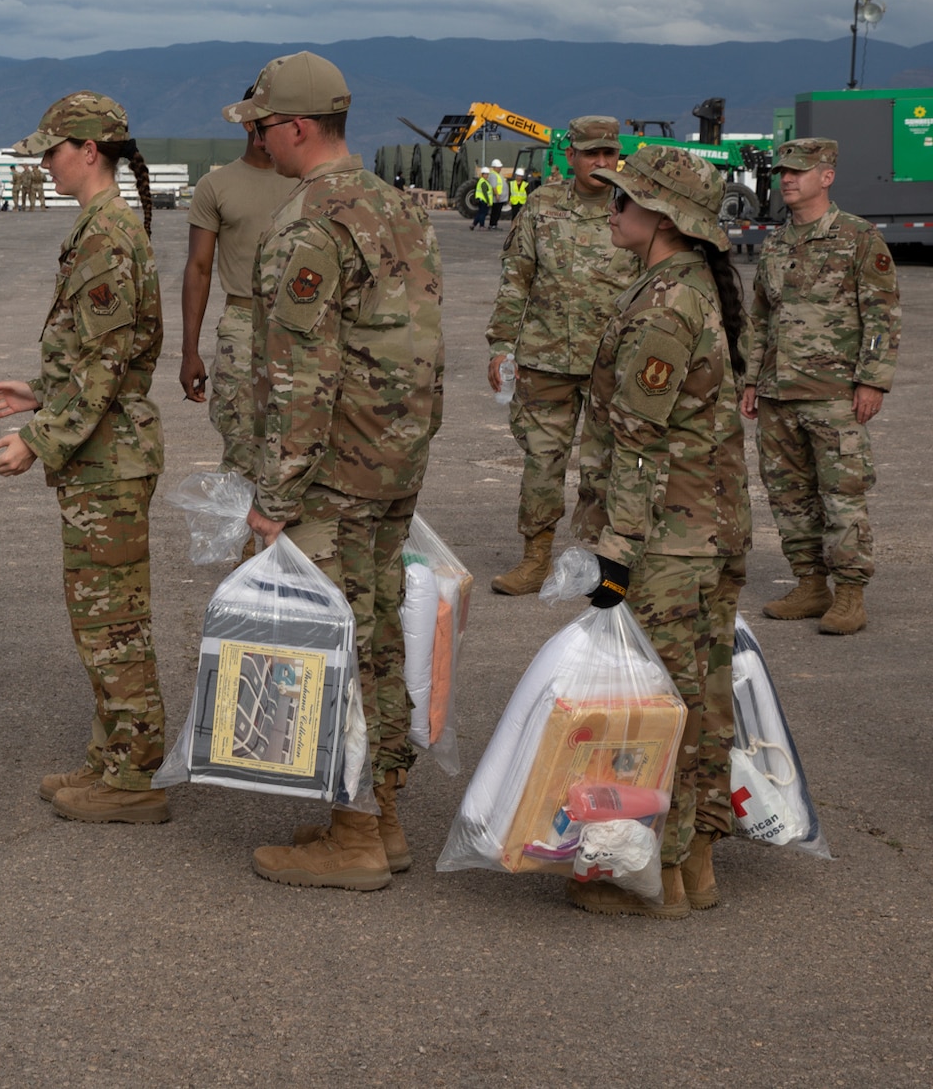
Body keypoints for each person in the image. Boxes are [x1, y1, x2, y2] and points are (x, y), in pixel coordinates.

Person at [242, 51, 444, 892]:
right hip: (393, 460)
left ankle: (355, 830)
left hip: (332, 468)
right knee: (380, 632)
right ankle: (383, 814)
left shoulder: (310, 223)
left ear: (295, 128)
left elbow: (300, 373)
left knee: (330, 644)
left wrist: (274, 498)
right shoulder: (397, 206)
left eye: (260, 126)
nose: (257, 140)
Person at [564, 145, 751, 917]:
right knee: (700, 700)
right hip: (703, 530)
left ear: (664, 218)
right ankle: (693, 863)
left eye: (625, 201)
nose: (612, 211)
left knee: (658, 707)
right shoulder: (683, 286)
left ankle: (653, 877)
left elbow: (638, 442)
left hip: (668, 540)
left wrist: (615, 554)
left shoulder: (665, 306)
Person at [0, 92, 169, 824]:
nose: (47, 166)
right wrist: (39, 392)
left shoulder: (108, 235)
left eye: (53, 152)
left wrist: (39, 439)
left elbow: (108, 363)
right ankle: (111, 753)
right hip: (103, 450)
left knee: (113, 619)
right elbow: (95, 357)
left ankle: (133, 776)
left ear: (89, 150)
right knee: (100, 616)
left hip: (107, 458)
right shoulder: (102, 227)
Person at [740, 138, 900, 636]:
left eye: (799, 172)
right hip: (777, 392)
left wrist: (871, 381)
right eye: (783, 172)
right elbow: (761, 316)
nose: (787, 179)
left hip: (834, 394)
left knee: (842, 494)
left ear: (826, 176)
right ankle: (811, 585)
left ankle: (849, 594)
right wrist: (750, 378)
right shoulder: (778, 240)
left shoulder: (858, 237)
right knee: (789, 495)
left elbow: (881, 316)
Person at [483, 116, 641, 595]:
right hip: (544, 360)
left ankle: (603, 565)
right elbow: (517, 280)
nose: (600, 162)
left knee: (607, 467)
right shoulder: (541, 206)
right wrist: (500, 346)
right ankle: (535, 559)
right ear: (569, 156)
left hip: (610, 364)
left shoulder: (635, 208)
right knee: (541, 463)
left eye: (608, 153)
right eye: (590, 153)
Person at [181, 66, 300, 475]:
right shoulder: (216, 187)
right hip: (242, 325)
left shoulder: (309, 185)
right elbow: (197, 269)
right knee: (242, 452)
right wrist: (190, 351)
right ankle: (245, 542)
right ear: (250, 122)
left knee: (300, 450)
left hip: (305, 324)